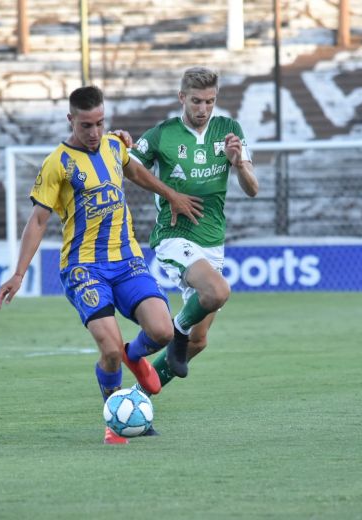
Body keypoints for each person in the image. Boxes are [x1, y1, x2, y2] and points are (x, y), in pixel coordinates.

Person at [0, 85, 203, 445]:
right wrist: (19, 273)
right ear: (70, 120)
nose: (94, 133)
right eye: (86, 125)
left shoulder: (113, 145)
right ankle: (115, 423)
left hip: (126, 260)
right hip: (84, 268)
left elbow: (136, 174)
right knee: (108, 350)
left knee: (164, 332)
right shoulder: (57, 163)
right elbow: (38, 221)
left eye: (100, 123)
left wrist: (171, 195)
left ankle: (133, 356)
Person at [129, 66, 258, 399]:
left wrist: (239, 163)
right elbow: (127, 165)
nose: (203, 109)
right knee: (217, 291)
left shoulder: (230, 131)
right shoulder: (163, 134)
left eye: (210, 102)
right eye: (197, 101)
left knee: (198, 341)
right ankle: (176, 329)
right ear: (182, 97)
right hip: (174, 237)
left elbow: (253, 188)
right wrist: (171, 195)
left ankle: (134, 400)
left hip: (212, 242)